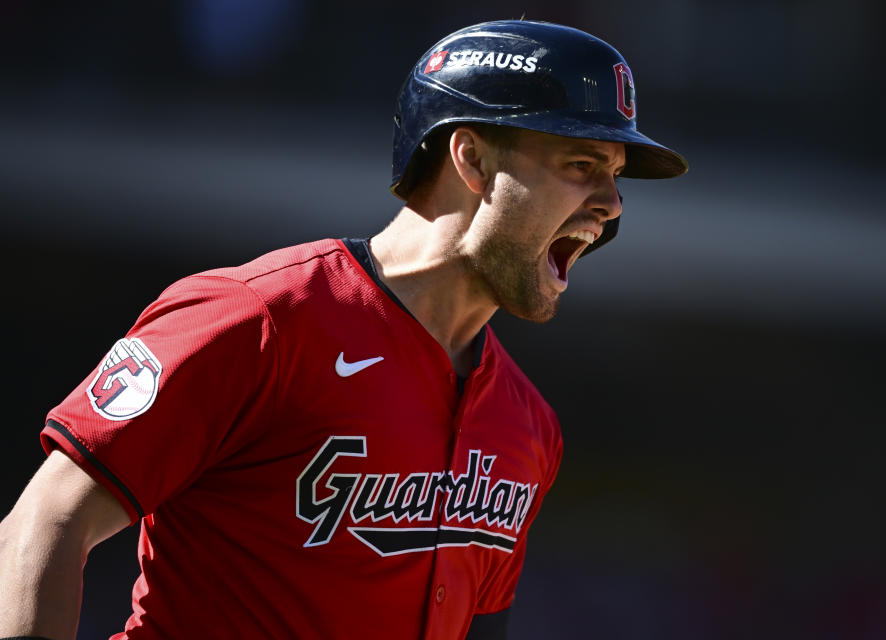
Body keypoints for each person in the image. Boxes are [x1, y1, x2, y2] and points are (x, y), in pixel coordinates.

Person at [0, 19, 686, 640]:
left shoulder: (529, 425)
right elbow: (44, 526)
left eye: (617, 176)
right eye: (581, 166)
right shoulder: (260, 319)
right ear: (471, 160)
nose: (611, 205)